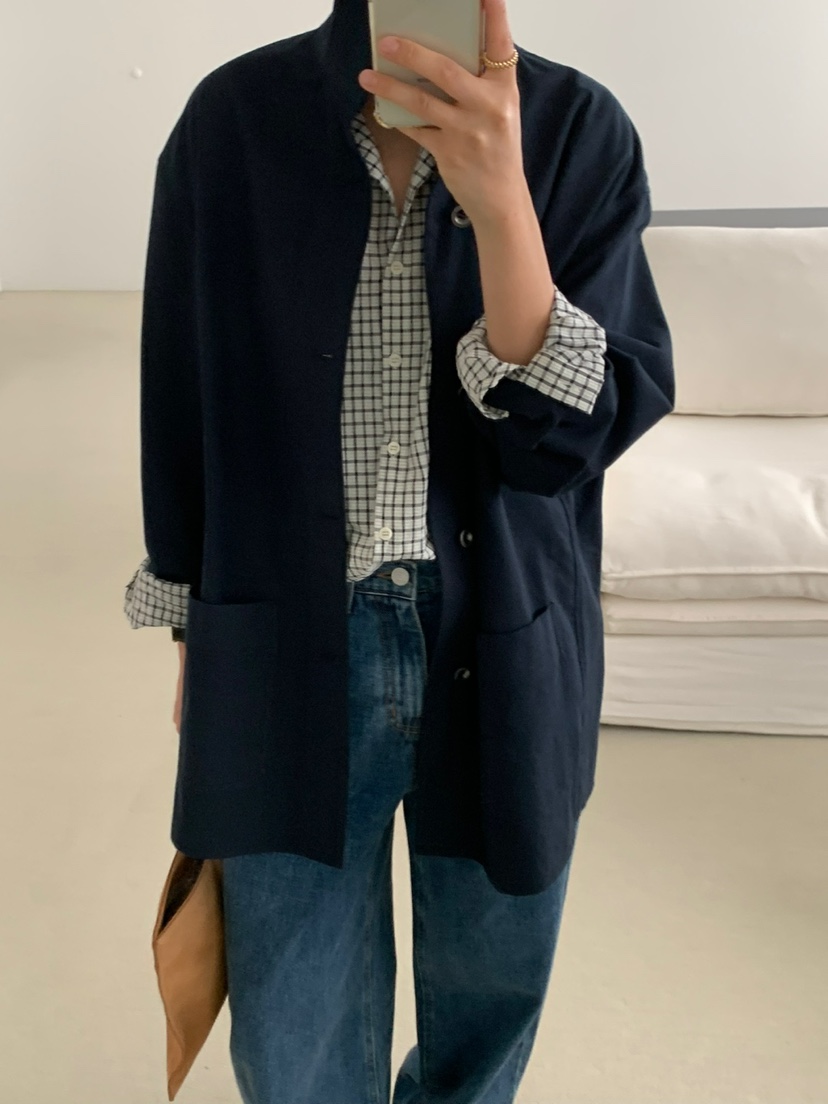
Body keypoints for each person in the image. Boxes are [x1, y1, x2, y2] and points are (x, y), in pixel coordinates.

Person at [124, 0, 674, 1100]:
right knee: (293, 1032)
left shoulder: (578, 131)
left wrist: (503, 201)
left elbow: (565, 448)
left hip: (508, 636)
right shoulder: (233, 121)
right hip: (283, 636)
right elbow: (183, 393)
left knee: (488, 1004)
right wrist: (192, 622)